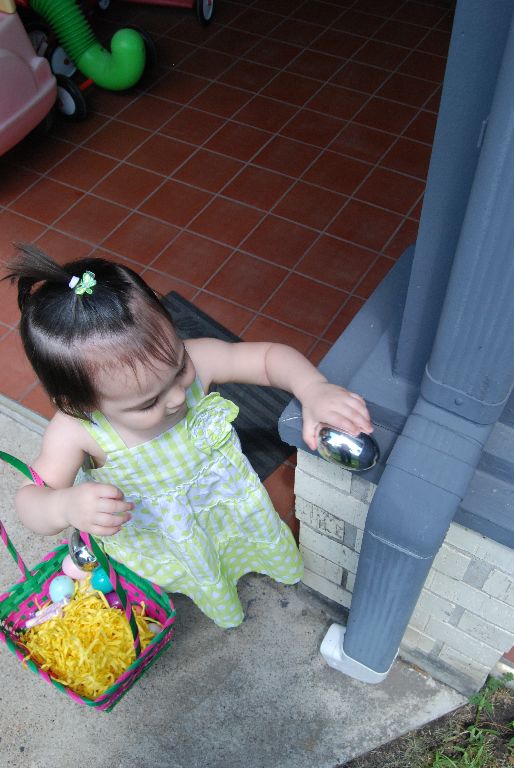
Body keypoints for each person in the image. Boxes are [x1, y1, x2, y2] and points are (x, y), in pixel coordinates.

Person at [4, 244, 373, 628]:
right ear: (81, 404)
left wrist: (312, 388)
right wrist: (63, 506)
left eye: (180, 368)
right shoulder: (76, 430)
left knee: (232, 548)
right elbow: (30, 501)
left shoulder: (200, 358)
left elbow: (266, 359)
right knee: (180, 576)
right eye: (149, 402)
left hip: (223, 507)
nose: (179, 397)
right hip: (158, 536)